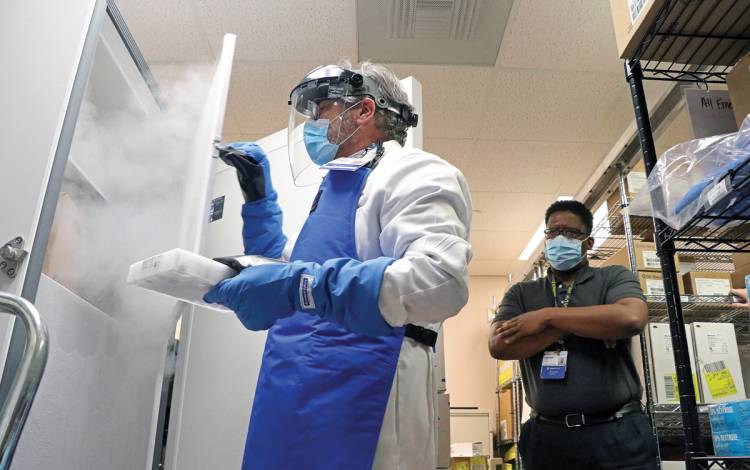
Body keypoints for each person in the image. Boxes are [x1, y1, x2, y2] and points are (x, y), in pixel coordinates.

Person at [204, 62, 473, 470]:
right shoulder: (332, 187)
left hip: (364, 390)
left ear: (364, 110)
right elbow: (288, 274)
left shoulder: (416, 172)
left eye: (322, 110)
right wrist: (258, 201)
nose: (311, 124)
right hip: (291, 388)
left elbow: (440, 279)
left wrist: (298, 285)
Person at [488, 200, 658, 470]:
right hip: (548, 439)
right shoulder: (521, 293)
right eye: (552, 233)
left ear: (588, 243)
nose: (559, 239)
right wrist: (592, 321)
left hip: (617, 434)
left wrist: (546, 318)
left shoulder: (613, 277)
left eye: (570, 233)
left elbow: (631, 318)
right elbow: (500, 346)